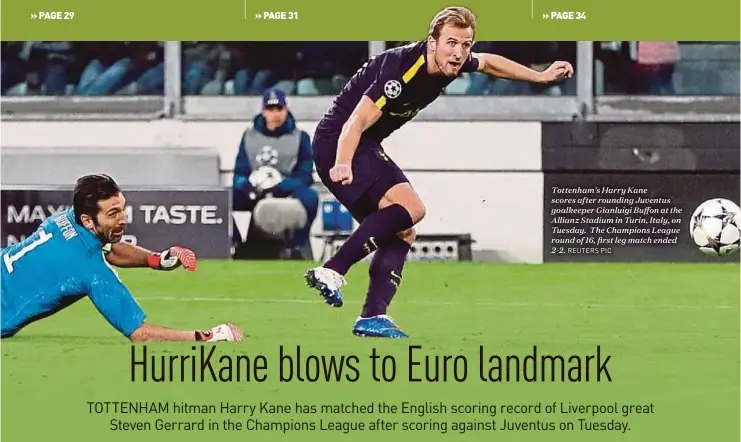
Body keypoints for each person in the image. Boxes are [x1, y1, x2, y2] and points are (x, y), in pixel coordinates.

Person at [304, 6, 574, 338]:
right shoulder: (401, 72)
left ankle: (372, 316)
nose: (459, 53)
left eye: (465, 44)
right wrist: (343, 161)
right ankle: (333, 270)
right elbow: (355, 121)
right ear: (432, 42)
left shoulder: (452, 61)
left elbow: (488, 62)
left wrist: (541, 77)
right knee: (412, 209)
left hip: (362, 144)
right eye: (451, 43)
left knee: (402, 230)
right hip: (341, 143)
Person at [1, 174, 244, 342]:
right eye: (113, 214)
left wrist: (158, 260)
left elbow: (109, 248)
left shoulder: (66, 218)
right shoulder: (90, 269)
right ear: (88, 220)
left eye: (123, 209)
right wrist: (206, 336)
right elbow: (140, 333)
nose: (123, 219)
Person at [232, 88, 318, 258]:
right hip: (254, 189)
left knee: (310, 198)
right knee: (222, 199)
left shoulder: (300, 137)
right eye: (271, 110)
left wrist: (280, 188)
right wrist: (246, 186)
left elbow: (305, 174)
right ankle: (235, 244)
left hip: (285, 190)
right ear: (263, 111)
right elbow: (239, 172)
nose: (275, 114)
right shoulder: (249, 136)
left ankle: (297, 246)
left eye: (279, 109)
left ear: (286, 110)